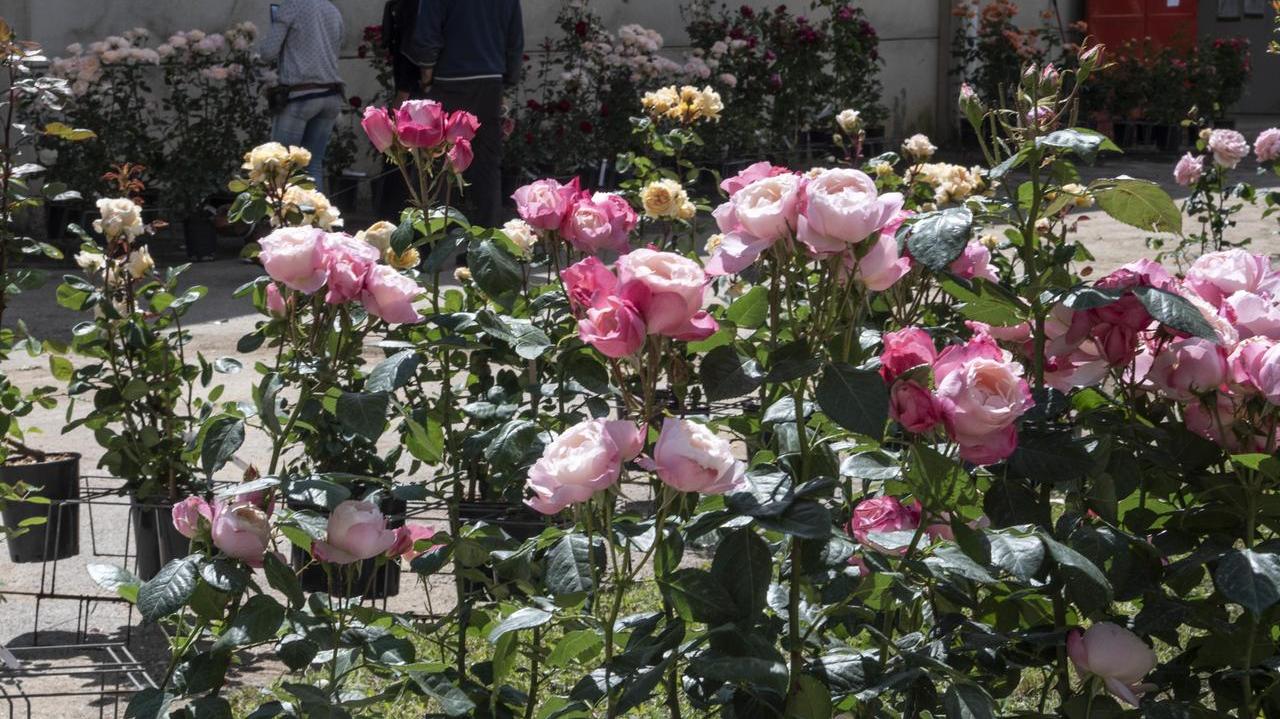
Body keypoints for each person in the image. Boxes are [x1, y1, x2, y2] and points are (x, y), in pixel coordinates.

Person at [404, 0, 523, 229]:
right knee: (486, 168)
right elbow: (514, 40)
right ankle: (483, 243)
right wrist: (507, 80)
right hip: (490, 82)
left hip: (449, 79)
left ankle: (429, 244)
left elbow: (426, 35)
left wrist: (426, 78)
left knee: (434, 163)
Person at [261, 0, 345, 193]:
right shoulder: (333, 10)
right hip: (331, 94)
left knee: (282, 165)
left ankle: (282, 220)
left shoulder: (292, 6)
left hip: (301, 95)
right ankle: (318, 219)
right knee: (313, 164)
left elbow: (267, 52)